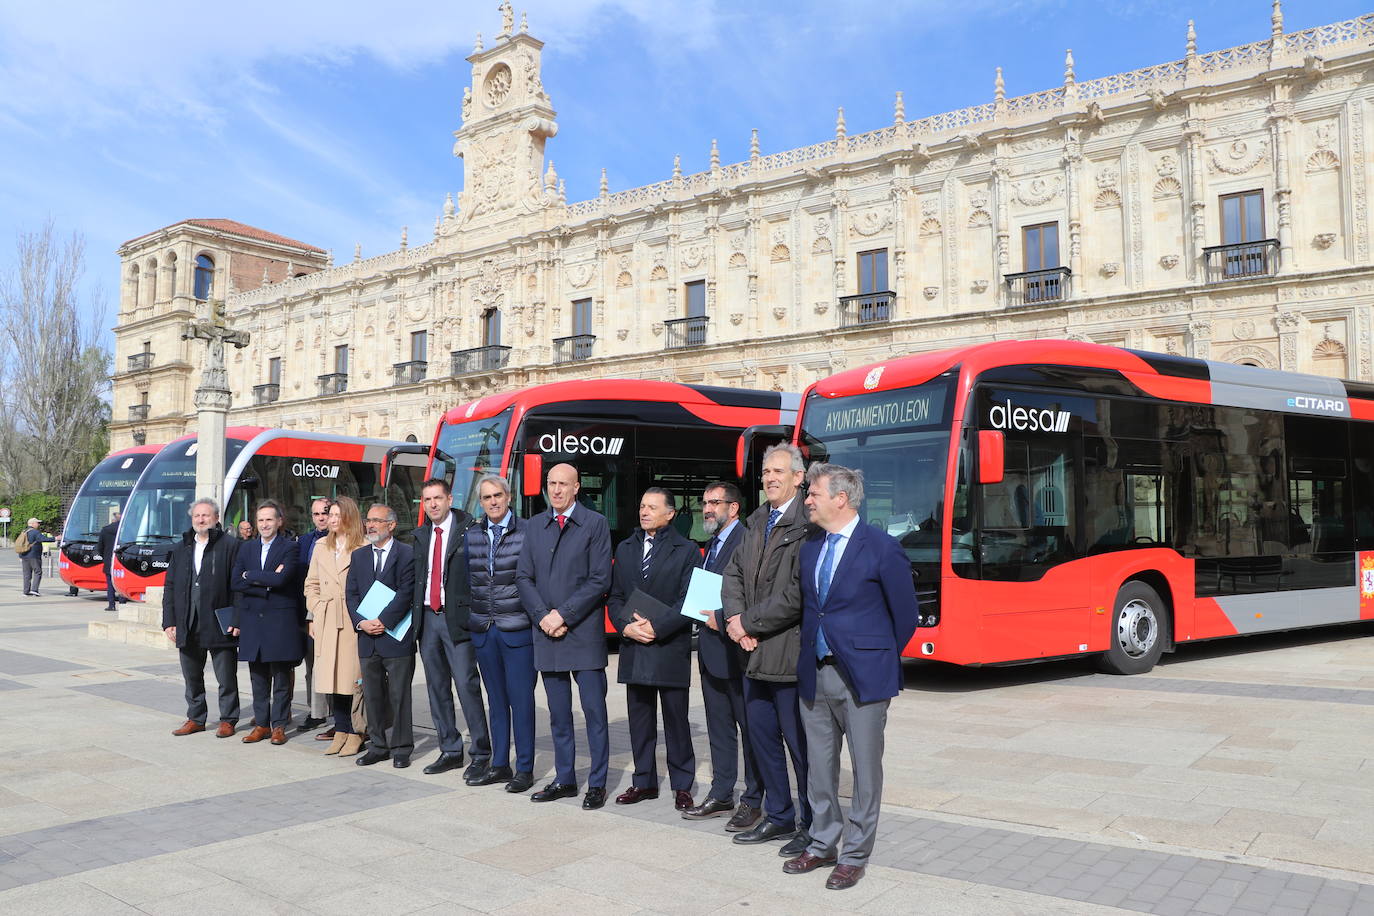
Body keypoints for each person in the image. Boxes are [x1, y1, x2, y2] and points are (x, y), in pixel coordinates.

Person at [785, 464, 918, 890]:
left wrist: (872, 657)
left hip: (864, 678)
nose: (807, 499)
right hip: (814, 674)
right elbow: (811, 608)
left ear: (841, 498)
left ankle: (855, 854)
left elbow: (906, 619)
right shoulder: (810, 547)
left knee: (864, 768)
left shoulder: (881, 547)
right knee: (819, 768)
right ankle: (823, 843)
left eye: (814, 493)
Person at [722, 443, 816, 858]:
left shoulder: (808, 522)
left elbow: (799, 593)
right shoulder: (758, 518)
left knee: (801, 748)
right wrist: (735, 621)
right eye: (765, 472)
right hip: (752, 654)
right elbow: (734, 573)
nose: (770, 478)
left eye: (779, 471)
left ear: (799, 476)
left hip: (788, 654)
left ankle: (812, 825)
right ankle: (778, 815)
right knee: (762, 741)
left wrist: (749, 622)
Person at [516, 462, 612, 810]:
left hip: (582, 633)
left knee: (594, 713)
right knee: (558, 715)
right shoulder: (535, 527)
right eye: (551, 483)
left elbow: (600, 579)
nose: (556, 490)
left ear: (576, 488)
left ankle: (598, 783)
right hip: (548, 634)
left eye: (563, 484)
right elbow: (523, 577)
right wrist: (543, 616)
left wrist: (563, 614)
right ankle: (565, 779)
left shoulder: (595, 524)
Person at [607, 487, 699, 810]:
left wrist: (656, 627)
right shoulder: (626, 548)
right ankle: (643, 781)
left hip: (669, 647)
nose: (644, 512)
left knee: (677, 721)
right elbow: (615, 597)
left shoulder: (687, 550)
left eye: (652, 507)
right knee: (640, 721)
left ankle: (683, 785)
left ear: (670, 514)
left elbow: (689, 601)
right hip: (634, 646)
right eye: (642, 506)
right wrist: (625, 626)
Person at [682, 481, 763, 831]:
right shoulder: (712, 543)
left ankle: (754, 799)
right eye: (704, 502)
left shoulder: (745, 540)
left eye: (715, 502)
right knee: (719, 729)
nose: (707, 509)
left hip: (738, 651)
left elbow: (749, 591)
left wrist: (721, 616)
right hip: (712, 651)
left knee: (751, 730)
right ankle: (722, 792)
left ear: (734, 508)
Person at [412, 478, 492, 779]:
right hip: (427, 620)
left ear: (449, 499)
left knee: (466, 686)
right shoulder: (420, 535)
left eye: (437, 498)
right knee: (437, 688)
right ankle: (450, 749)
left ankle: (481, 752)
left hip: (457, 621)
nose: (432, 504)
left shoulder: (470, 531)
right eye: (427, 499)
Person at [463, 474, 536, 793]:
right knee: (496, 701)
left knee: (521, 702)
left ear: (509, 497)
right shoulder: (473, 535)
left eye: (498, 495)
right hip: (484, 630)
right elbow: (470, 579)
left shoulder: (528, 532)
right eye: (486, 497)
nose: (492, 501)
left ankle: (525, 769)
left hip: (517, 628)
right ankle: (499, 764)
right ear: (480, 503)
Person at [162, 498, 241, 738]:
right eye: (197, 516)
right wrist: (169, 621)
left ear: (216, 519)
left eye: (206, 515)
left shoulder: (230, 546)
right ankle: (196, 717)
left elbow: (238, 586)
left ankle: (228, 719)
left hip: (219, 621)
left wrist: (237, 618)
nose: (201, 519)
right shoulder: (181, 547)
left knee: (226, 676)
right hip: (188, 621)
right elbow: (170, 586)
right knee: (191, 676)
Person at [230, 499, 303, 746]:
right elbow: (235, 582)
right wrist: (267, 581)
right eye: (260, 520)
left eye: (269, 519)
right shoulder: (246, 549)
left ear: (279, 521)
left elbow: (282, 580)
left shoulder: (289, 548)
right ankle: (261, 724)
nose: (264, 524)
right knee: (257, 678)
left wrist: (250, 576)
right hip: (253, 621)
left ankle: (279, 726)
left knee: (281, 678)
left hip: (279, 621)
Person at [351, 504, 418, 768]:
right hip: (367, 637)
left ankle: (402, 747)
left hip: (396, 635)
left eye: (377, 521)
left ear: (391, 525)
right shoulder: (359, 556)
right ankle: (378, 745)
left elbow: (406, 592)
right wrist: (361, 623)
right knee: (373, 694)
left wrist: (383, 621)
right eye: (368, 520)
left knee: (400, 696)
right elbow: (351, 594)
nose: (370, 525)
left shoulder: (407, 554)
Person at [303, 497, 367, 757]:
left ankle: (356, 731)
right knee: (331, 679)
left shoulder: (363, 547)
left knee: (352, 680)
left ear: (349, 517)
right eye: (331, 515)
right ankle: (340, 729)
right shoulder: (321, 546)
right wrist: (317, 609)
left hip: (352, 619)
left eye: (338, 515)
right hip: (328, 618)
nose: (332, 519)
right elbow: (311, 584)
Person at [298, 497, 333, 735]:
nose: (321, 518)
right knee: (313, 665)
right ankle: (317, 712)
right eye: (316, 514)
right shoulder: (305, 541)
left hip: (334, 609)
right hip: (310, 610)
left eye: (325, 513)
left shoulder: (341, 539)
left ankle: (339, 715)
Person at [18, 517, 53, 596]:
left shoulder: (24, 531)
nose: (38, 524)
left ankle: (26, 591)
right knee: (38, 572)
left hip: (24, 555)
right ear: (32, 524)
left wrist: (20, 555)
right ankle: (34, 590)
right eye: (37, 522)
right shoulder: (35, 532)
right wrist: (55, 538)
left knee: (27, 574)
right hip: (34, 556)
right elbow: (43, 539)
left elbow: (20, 544)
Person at [98, 509, 123, 611]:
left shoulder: (105, 530)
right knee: (121, 582)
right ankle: (122, 602)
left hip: (109, 559)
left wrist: (104, 557)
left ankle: (111, 604)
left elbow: (100, 547)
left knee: (110, 584)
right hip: (121, 560)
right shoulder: (125, 529)